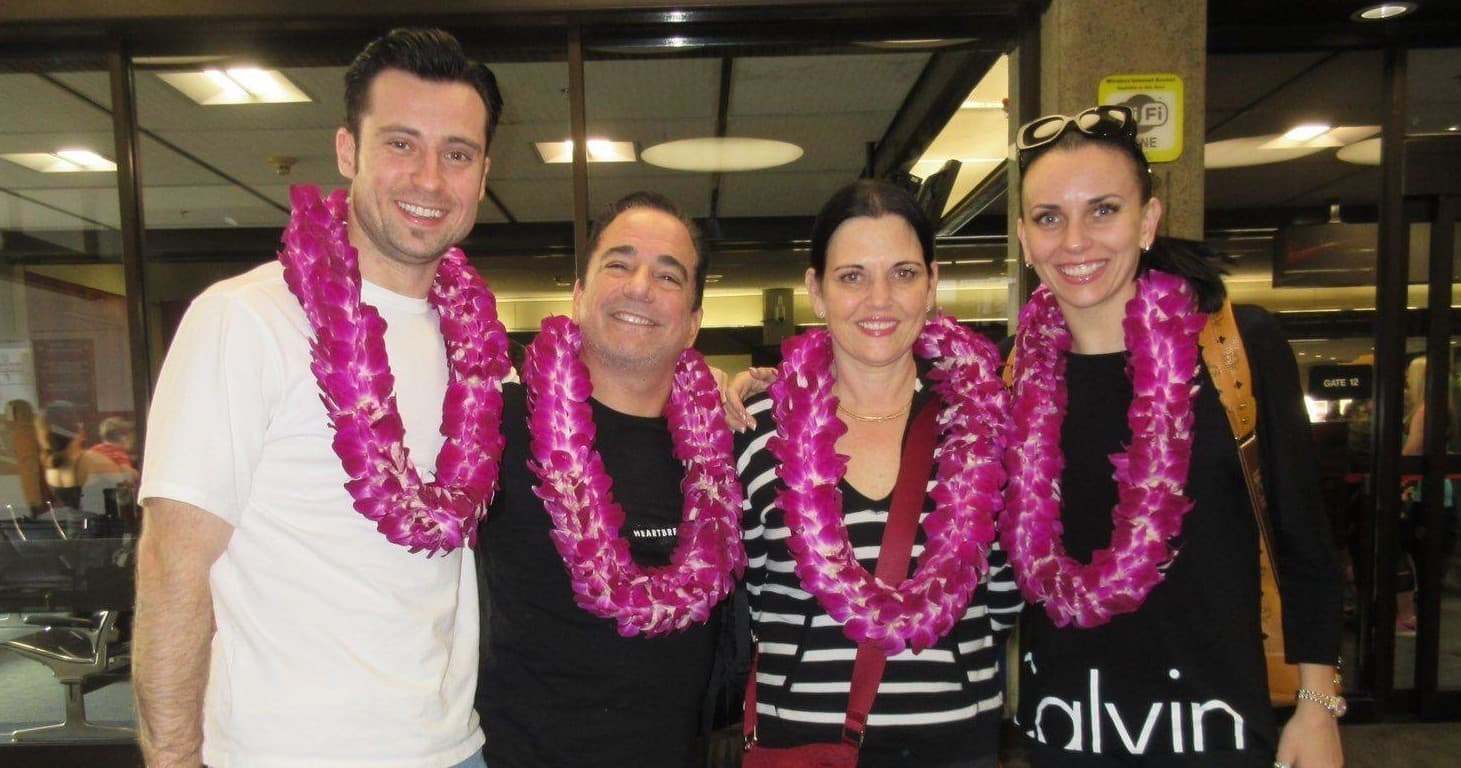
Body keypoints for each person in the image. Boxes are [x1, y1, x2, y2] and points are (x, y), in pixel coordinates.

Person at [134, 28, 507, 768]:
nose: (430, 179)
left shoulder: (478, 346)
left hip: (451, 749)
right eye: (401, 143)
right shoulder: (247, 319)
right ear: (348, 150)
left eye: (456, 154)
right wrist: (172, 758)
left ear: (483, 172)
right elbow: (173, 564)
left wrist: (711, 389)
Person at [1001, 105, 1344, 768]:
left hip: (1215, 728)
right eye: (1049, 217)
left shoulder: (1235, 345)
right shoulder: (1009, 374)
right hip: (1066, 727)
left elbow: (1303, 539)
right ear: (1023, 236)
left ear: (1148, 220)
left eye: (1102, 210)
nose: (1074, 241)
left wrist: (1315, 704)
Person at [735, 179, 1020, 767]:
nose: (879, 299)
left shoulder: (989, 428)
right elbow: (753, 606)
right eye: (852, 276)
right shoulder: (757, 432)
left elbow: (1003, 602)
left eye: (904, 273)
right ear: (816, 290)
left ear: (932, 283)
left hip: (956, 746)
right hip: (807, 747)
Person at [476, 191, 744, 768]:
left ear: (693, 323)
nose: (640, 287)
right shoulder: (496, 426)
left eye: (668, 276)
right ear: (578, 295)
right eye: (618, 264)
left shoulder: (724, 454)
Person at [77, 416, 139, 516]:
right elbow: (126, 473)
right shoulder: (118, 453)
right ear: (123, 438)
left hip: (87, 494)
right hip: (108, 498)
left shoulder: (93, 450)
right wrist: (138, 474)